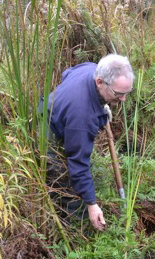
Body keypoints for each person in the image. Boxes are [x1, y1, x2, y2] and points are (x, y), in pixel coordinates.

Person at [42, 54, 134, 231]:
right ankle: (77, 231)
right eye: (118, 94)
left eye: (126, 93)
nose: (123, 99)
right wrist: (92, 204)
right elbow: (79, 164)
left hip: (57, 108)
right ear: (100, 82)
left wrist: (102, 104)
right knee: (68, 186)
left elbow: (67, 74)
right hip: (47, 131)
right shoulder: (83, 116)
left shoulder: (91, 68)